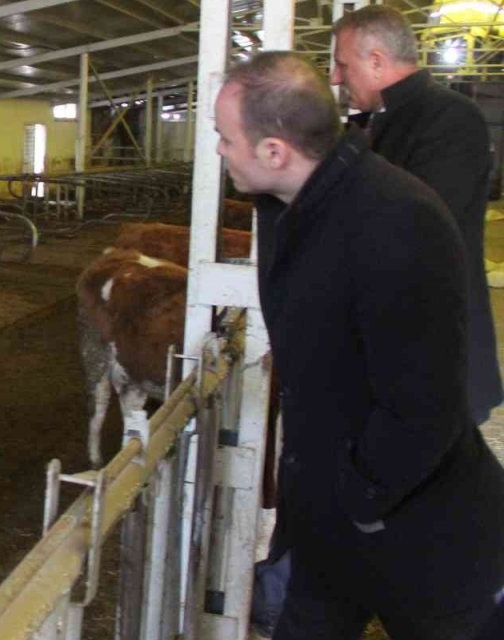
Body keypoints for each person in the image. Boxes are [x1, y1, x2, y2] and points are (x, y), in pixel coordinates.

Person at [216, 51, 504, 639]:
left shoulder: (398, 221)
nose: (220, 151)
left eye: (225, 138)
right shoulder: (286, 209)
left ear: (275, 152)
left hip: (418, 528)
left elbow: (426, 407)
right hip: (330, 519)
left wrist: (360, 496)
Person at [332, 4, 502, 424]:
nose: (335, 78)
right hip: (391, 350)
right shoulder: (375, 123)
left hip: (435, 352)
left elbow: (418, 225)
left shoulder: (451, 118)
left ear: (375, 61)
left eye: (341, 64)